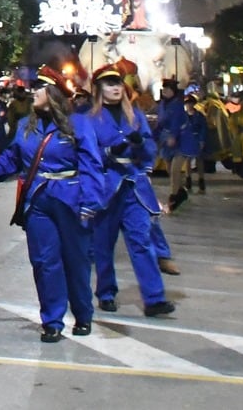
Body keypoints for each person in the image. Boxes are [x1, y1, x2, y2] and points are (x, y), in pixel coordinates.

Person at [0, 66, 103, 342]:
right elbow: (10, 160)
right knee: (45, 262)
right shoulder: (25, 126)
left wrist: (91, 201)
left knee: (75, 261)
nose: (33, 92)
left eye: (39, 87)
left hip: (70, 199)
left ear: (53, 93)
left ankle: (82, 313)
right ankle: (52, 320)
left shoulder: (79, 124)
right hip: (38, 200)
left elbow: (91, 164)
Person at [87, 63, 173, 318]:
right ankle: (106, 292)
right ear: (99, 89)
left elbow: (149, 152)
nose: (115, 87)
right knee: (103, 245)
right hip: (105, 187)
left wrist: (139, 146)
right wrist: (114, 149)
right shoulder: (89, 119)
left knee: (141, 242)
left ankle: (154, 299)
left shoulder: (135, 115)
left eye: (117, 83)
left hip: (133, 187)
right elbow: (87, 155)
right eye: (109, 83)